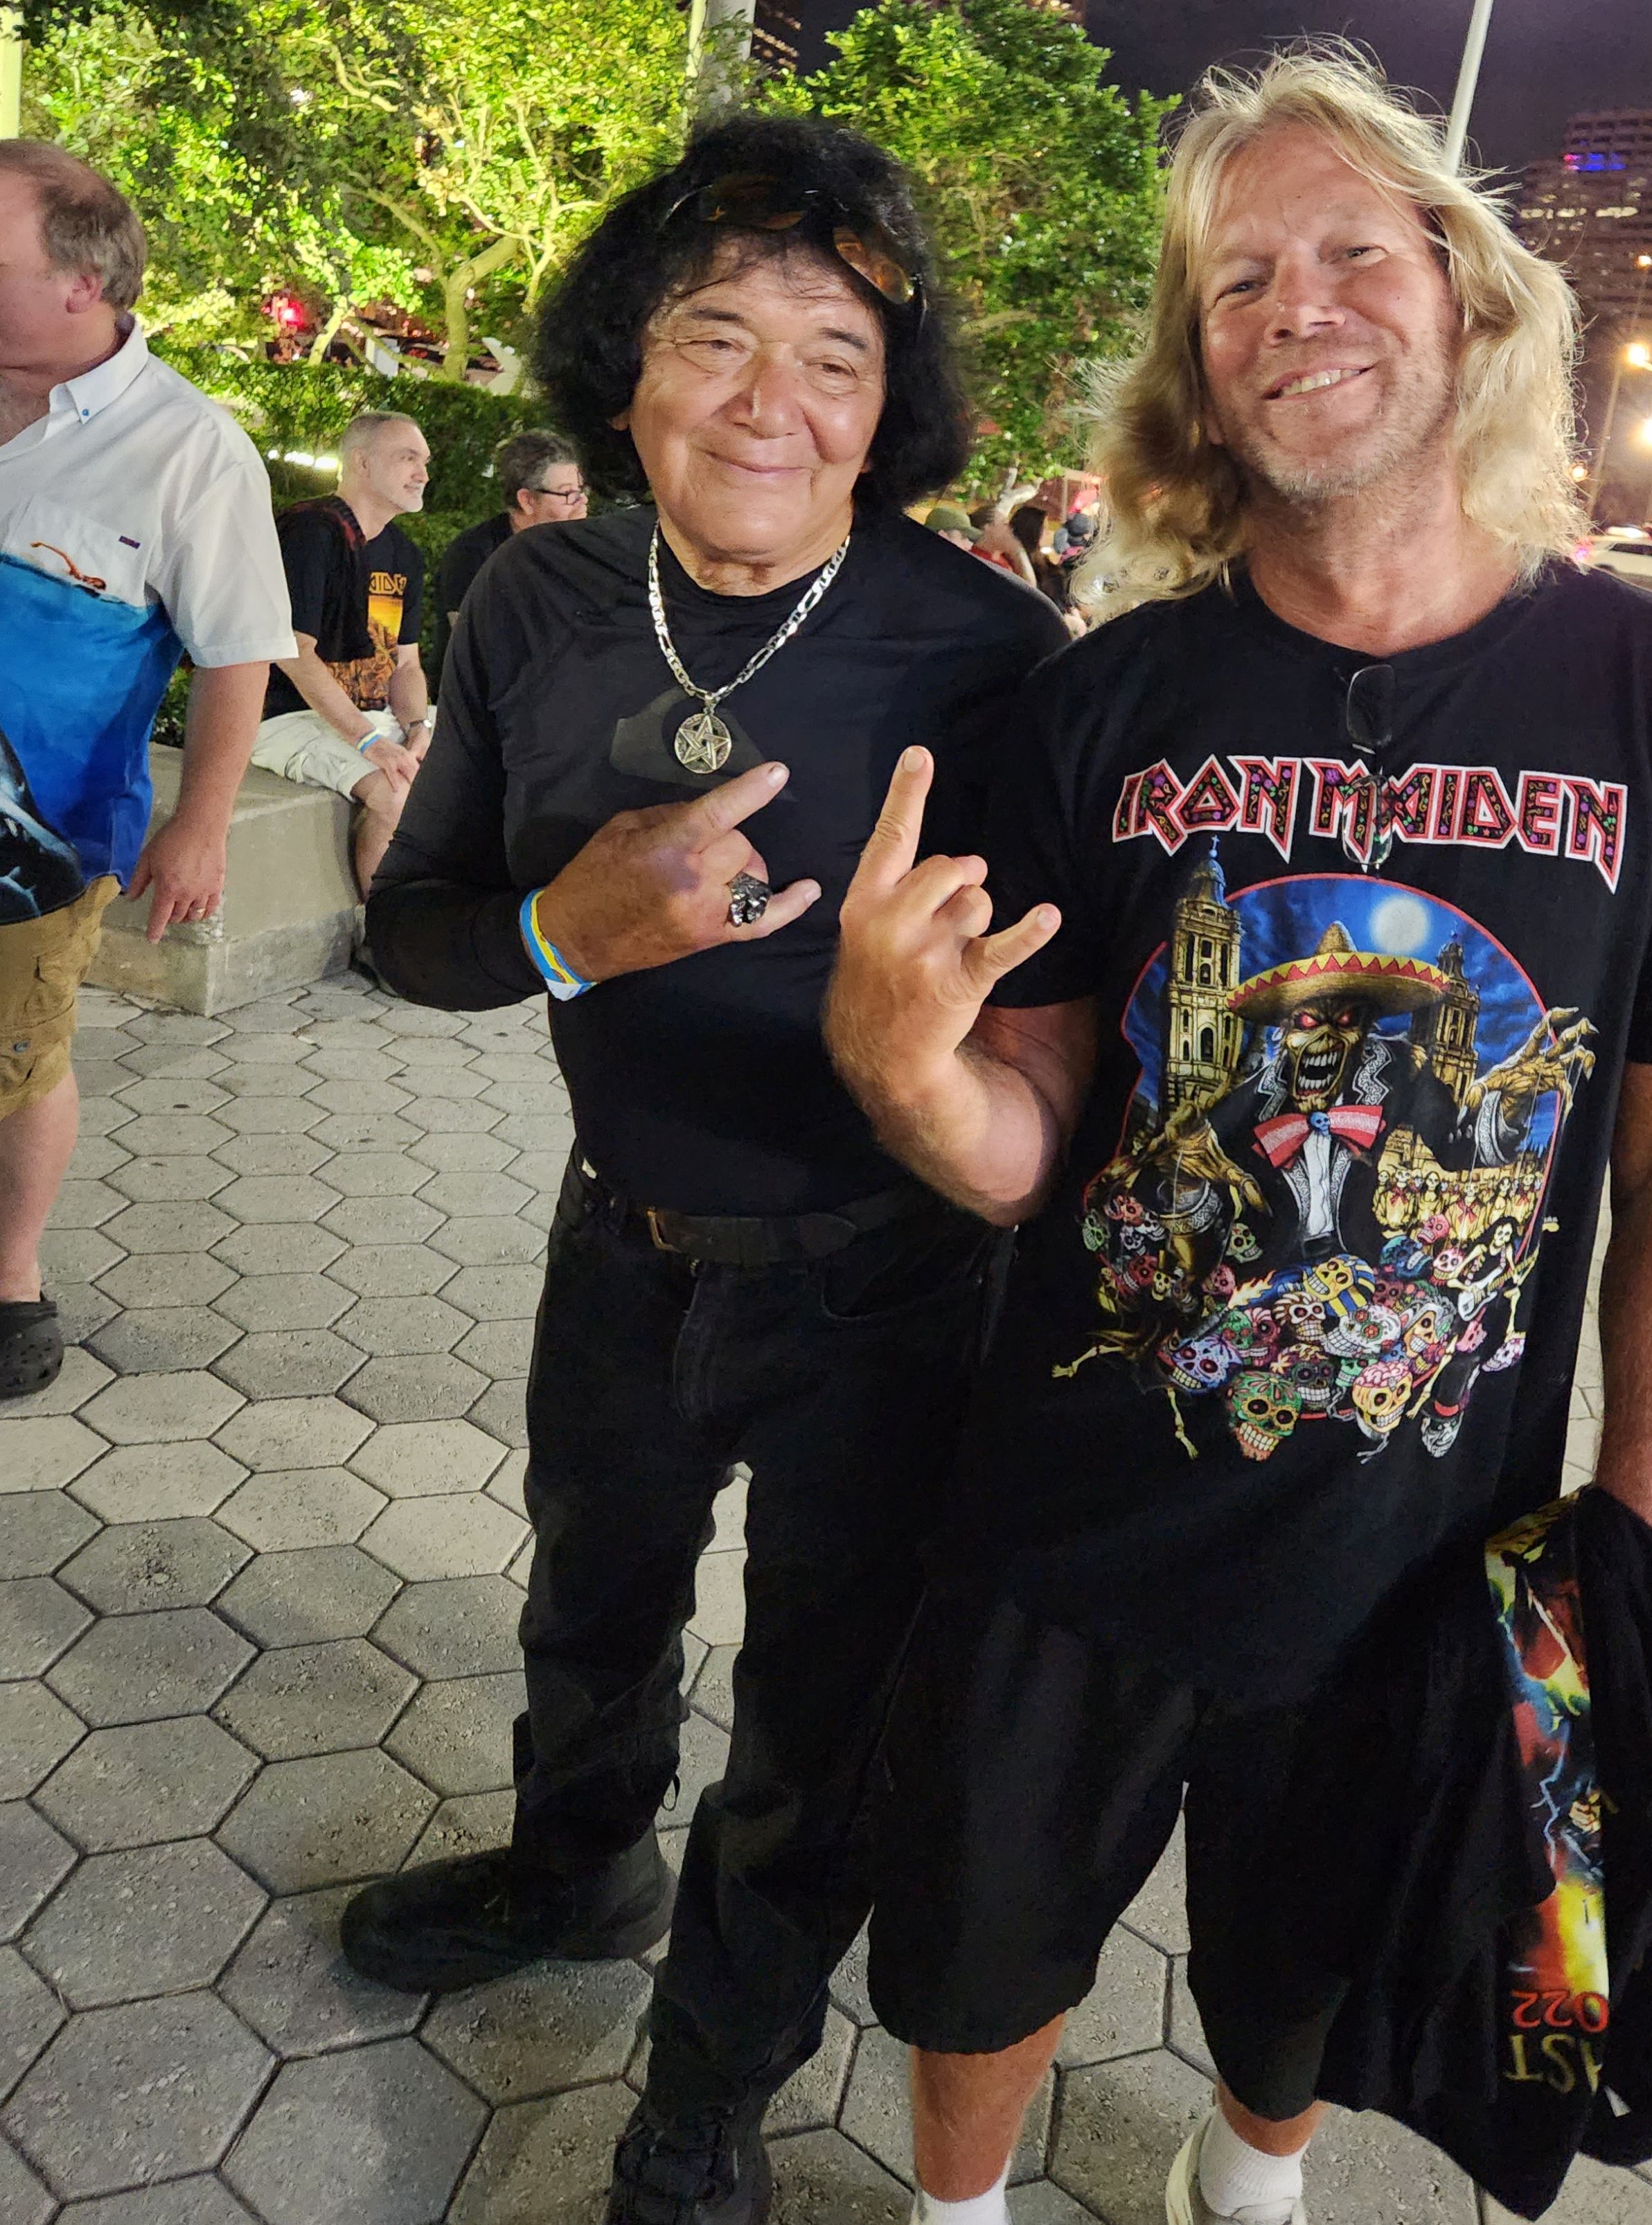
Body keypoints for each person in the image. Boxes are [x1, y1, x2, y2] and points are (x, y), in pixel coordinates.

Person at [823, 46, 1652, 2225]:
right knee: (979, 1942)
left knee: (1308, 1966)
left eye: (1353, 252)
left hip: (1421, 1543)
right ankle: (953, 2213)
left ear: (1465, 297)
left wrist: (1627, 1560)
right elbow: (1033, 1126)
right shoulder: (1098, 705)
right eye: (1238, 279)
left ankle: (1248, 2186)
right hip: (1072, 1511)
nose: (1299, 306)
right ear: (1196, 368)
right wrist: (904, 1070)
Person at [343, 115, 1065, 2225]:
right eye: (714, 335)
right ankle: (574, 1867)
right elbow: (413, 933)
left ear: (888, 409)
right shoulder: (533, 594)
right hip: (621, 1239)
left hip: (887, 1279)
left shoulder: (989, 655)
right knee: (590, 1603)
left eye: (834, 354)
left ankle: (708, 2083)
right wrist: (567, 926)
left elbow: (1050, 1038)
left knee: (815, 1717)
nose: (769, 399)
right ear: (625, 370)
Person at [0, 140, 292, 1399]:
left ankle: (11, 1276)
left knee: (19, 1052)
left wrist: (202, 821)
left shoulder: (189, 449)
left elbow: (238, 653)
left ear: (82, 280)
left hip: (37, 841)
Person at [248, 411, 433, 894]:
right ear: (361, 463)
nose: (422, 473)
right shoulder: (311, 532)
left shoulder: (405, 555)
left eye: (425, 462)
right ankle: (383, 928)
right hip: (289, 717)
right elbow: (293, 652)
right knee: (394, 792)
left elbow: (406, 664)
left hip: (371, 716)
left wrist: (418, 727)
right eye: (407, 458)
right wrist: (369, 742)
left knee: (484, 755)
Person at [437, 428, 589, 636]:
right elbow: (478, 642)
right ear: (527, 500)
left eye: (581, 490)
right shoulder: (474, 553)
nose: (581, 502)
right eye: (568, 493)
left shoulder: (580, 549)